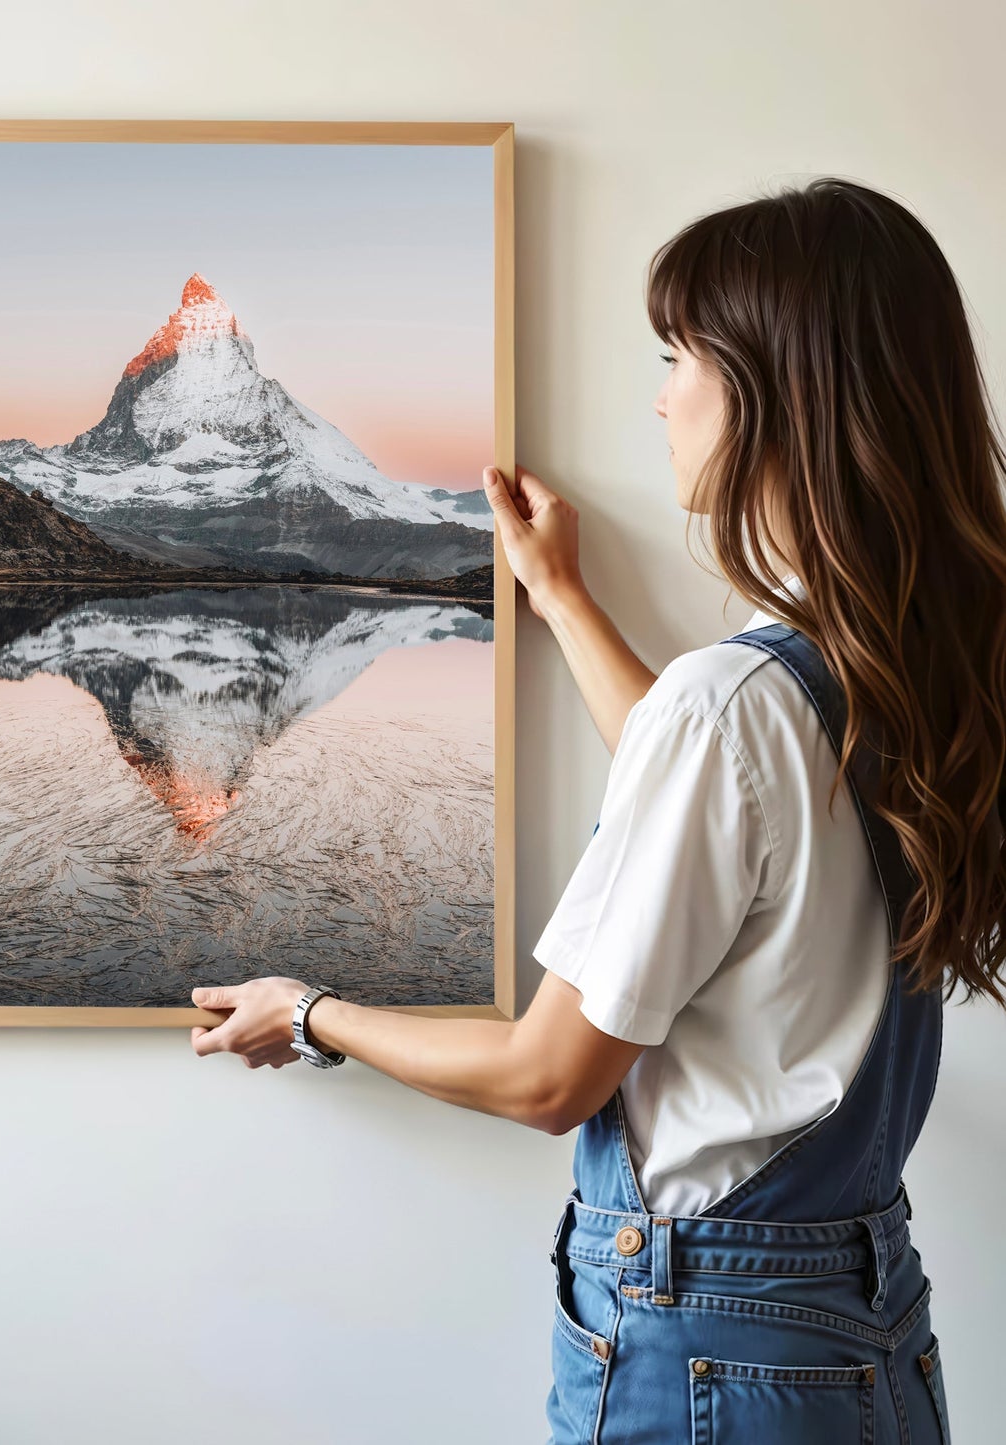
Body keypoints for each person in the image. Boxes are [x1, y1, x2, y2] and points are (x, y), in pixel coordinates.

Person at [187, 177, 1006, 1444]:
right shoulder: (905, 671)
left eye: (679, 356)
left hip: (706, 1353)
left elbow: (546, 1076)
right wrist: (562, 598)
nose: (661, 396)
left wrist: (306, 1011)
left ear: (775, 393)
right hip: (861, 1334)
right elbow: (723, 816)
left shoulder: (734, 704)